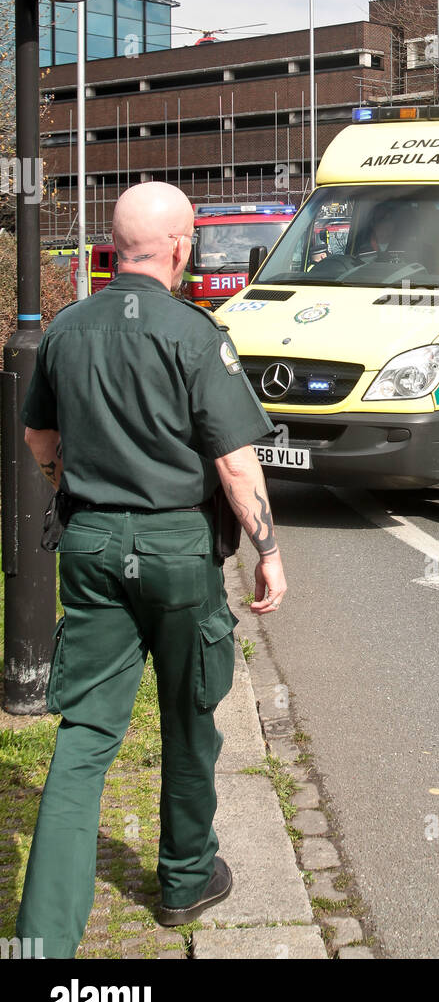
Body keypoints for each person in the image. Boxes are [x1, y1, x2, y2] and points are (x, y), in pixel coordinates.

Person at [15, 181, 288, 958]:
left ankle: (40, 944)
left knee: (85, 737)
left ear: (111, 245)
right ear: (179, 246)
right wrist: (268, 552)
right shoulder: (195, 333)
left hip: (93, 546)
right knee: (188, 717)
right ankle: (184, 880)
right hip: (178, 550)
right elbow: (236, 463)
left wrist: (84, 488)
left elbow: (39, 444)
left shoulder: (67, 329)